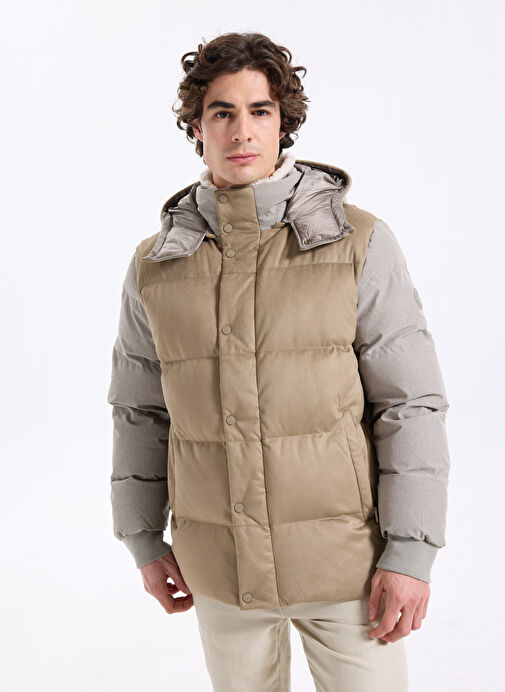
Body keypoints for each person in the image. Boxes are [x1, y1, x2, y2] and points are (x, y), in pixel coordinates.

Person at [107, 31, 450, 692]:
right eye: (222, 112)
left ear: (282, 122)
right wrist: (143, 538)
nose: (242, 131)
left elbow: (409, 403)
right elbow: (139, 412)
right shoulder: (156, 263)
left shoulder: (357, 241)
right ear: (197, 126)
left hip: (349, 571)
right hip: (221, 571)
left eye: (259, 111)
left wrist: (411, 551)